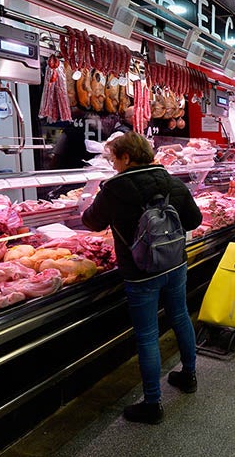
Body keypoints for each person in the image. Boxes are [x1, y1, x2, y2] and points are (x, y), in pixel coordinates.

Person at [81, 132, 202, 425]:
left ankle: (152, 403)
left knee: (147, 335)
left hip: (140, 272)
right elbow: (195, 221)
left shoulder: (114, 189)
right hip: (175, 263)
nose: (112, 165)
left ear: (126, 157)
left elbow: (91, 222)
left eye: (113, 159)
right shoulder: (172, 181)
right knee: (181, 316)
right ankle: (188, 376)